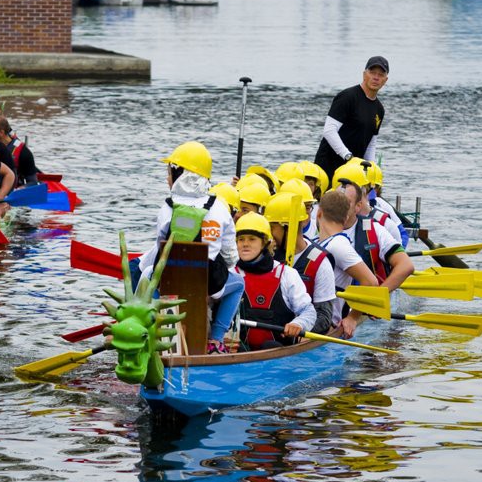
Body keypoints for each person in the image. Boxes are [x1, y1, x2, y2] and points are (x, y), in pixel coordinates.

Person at [138, 141, 244, 355]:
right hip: (209, 284)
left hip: (168, 281)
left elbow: (161, 245)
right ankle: (215, 340)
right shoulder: (220, 208)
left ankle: (143, 328)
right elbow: (231, 257)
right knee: (239, 283)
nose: (167, 177)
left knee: (145, 272)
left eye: (169, 172)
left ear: (179, 173)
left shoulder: (167, 207)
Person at [233, 212, 316, 350]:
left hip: (278, 356)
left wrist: (298, 324)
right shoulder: (231, 274)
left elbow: (308, 311)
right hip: (239, 353)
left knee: (269, 346)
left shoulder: (287, 274)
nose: (245, 244)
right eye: (241, 239)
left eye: (252, 239)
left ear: (265, 243)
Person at [265, 193, 335, 335]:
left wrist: (298, 329)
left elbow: (324, 316)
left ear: (288, 227)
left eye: (272, 228)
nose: (268, 235)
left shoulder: (320, 263)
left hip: (294, 334)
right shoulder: (266, 254)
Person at [315, 191, 379, 338]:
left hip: (327, 325)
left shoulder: (338, 245)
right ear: (346, 218)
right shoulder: (317, 242)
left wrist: (353, 317)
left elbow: (371, 282)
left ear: (319, 213)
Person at [314, 56, 389, 180]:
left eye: (381, 75)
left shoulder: (379, 109)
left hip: (354, 171)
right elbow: (329, 131)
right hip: (328, 167)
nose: (376, 77)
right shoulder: (347, 97)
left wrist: (372, 169)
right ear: (364, 74)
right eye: (372, 73)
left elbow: (370, 144)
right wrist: (348, 156)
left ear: (385, 80)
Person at [337, 176, 414, 291]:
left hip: (364, 302)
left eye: (346, 203)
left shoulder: (377, 229)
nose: (338, 208)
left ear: (358, 206)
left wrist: (379, 295)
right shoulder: (318, 225)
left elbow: (406, 266)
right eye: (336, 202)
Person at [0, 114, 39, 187]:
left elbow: (33, 182)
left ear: (1, 133)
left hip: (12, 192)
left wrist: (21, 189)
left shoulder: (23, 152)